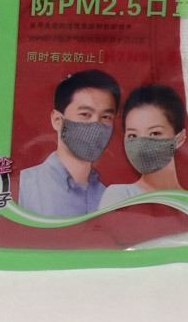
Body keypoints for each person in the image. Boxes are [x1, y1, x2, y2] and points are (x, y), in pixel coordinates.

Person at [17, 69, 119, 217]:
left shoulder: (109, 199)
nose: (96, 125)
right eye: (85, 114)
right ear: (57, 120)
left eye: (106, 117)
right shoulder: (23, 187)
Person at [99, 84, 187, 210]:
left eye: (155, 133)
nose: (141, 145)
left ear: (179, 139)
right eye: (133, 135)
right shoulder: (120, 196)